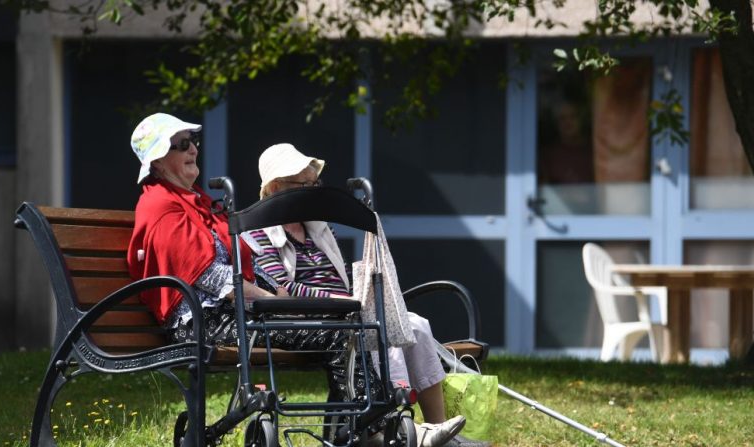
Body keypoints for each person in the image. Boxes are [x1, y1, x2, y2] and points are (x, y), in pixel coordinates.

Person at [125, 113, 382, 415]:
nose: (193, 149)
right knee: (337, 332)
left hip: (234, 316)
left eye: (193, 141)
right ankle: (371, 425)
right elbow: (208, 274)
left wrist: (277, 290)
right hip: (203, 323)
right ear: (157, 161)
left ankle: (358, 424)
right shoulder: (160, 205)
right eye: (181, 144)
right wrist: (270, 300)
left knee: (345, 323)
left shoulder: (196, 201)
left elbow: (244, 261)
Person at [248, 143, 488, 447]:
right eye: (304, 185)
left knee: (415, 324)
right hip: (304, 316)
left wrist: (356, 296)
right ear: (275, 187)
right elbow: (281, 287)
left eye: (315, 184)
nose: (313, 191)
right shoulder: (257, 233)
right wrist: (336, 302)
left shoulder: (319, 228)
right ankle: (392, 430)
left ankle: (438, 429)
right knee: (377, 333)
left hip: (347, 309)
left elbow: (342, 279)